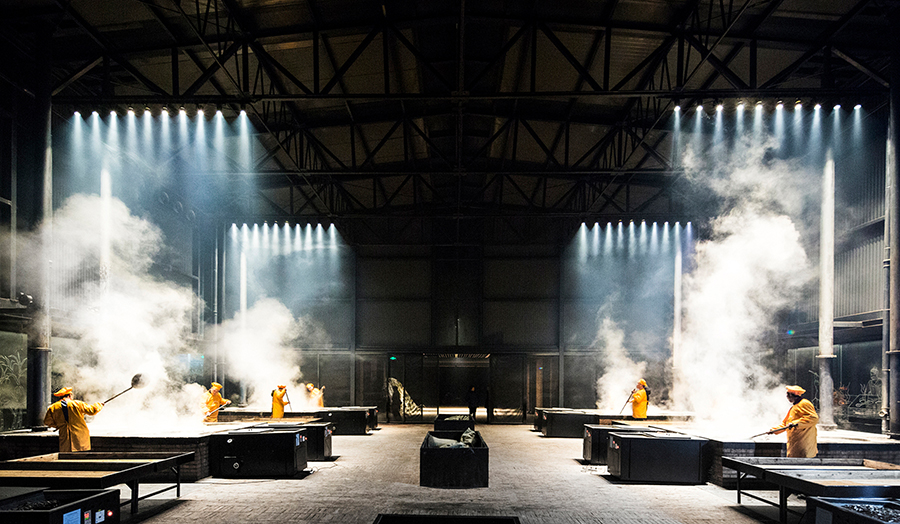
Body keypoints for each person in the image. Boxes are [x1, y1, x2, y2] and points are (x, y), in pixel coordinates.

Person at [43, 387, 104, 452]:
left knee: (66, 456)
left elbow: (47, 422)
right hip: (80, 436)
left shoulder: (53, 407)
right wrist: (99, 405)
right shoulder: (78, 404)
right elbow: (92, 410)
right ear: (69, 395)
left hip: (65, 436)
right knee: (80, 456)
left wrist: (59, 425)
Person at [770, 385, 818, 458]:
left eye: (788, 395)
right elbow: (786, 424)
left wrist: (796, 423)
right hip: (795, 442)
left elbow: (813, 418)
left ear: (793, 395)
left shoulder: (804, 403)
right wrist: (774, 430)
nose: (787, 397)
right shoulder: (794, 407)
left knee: (802, 460)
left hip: (804, 441)